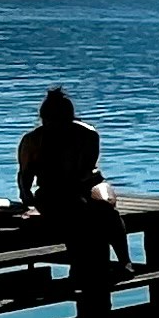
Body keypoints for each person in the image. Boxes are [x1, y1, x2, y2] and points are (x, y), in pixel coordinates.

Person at [17, 87, 127, 279]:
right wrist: (26, 194)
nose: (57, 127)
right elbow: (25, 175)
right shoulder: (32, 141)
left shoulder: (87, 134)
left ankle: (124, 261)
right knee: (76, 214)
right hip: (51, 191)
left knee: (106, 208)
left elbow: (88, 167)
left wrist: (79, 188)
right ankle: (82, 268)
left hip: (88, 183)